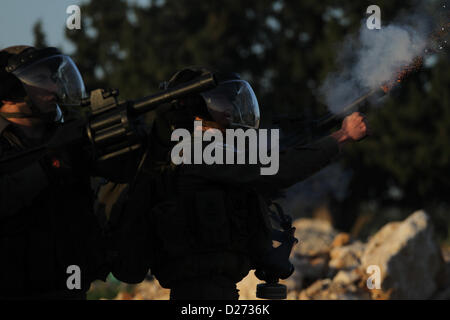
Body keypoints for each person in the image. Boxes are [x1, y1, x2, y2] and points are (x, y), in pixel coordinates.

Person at [99, 67, 369, 300]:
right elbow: (278, 168)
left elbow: (268, 159)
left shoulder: (193, 151)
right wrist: (342, 136)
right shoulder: (195, 151)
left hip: (214, 288)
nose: (228, 114)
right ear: (196, 111)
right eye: (219, 105)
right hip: (202, 292)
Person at [0, 45, 146, 299]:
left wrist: (126, 140)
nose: (55, 88)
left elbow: (119, 177)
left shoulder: (67, 136)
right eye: (42, 79)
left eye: (54, 78)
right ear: (8, 89)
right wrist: (50, 165)